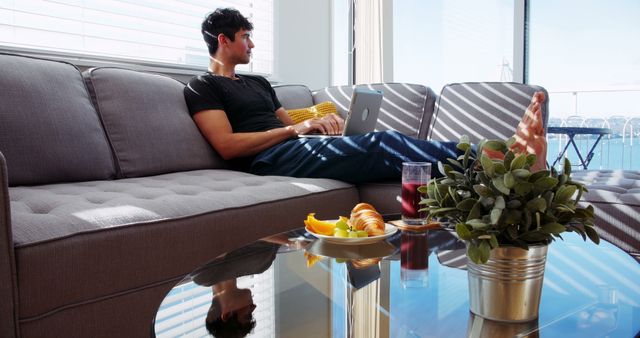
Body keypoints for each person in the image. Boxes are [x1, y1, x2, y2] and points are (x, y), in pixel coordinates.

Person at [184, 8, 547, 184]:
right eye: (245, 36)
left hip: (292, 149)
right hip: (265, 162)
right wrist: (298, 129)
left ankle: (499, 161)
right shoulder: (203, 86)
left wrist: (323, 128)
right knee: (380, 144)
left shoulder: (259, 83)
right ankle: (499, 158)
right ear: (224, 40)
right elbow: (228, 146)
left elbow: (285, 126)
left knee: (375, 144)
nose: (252, 44)